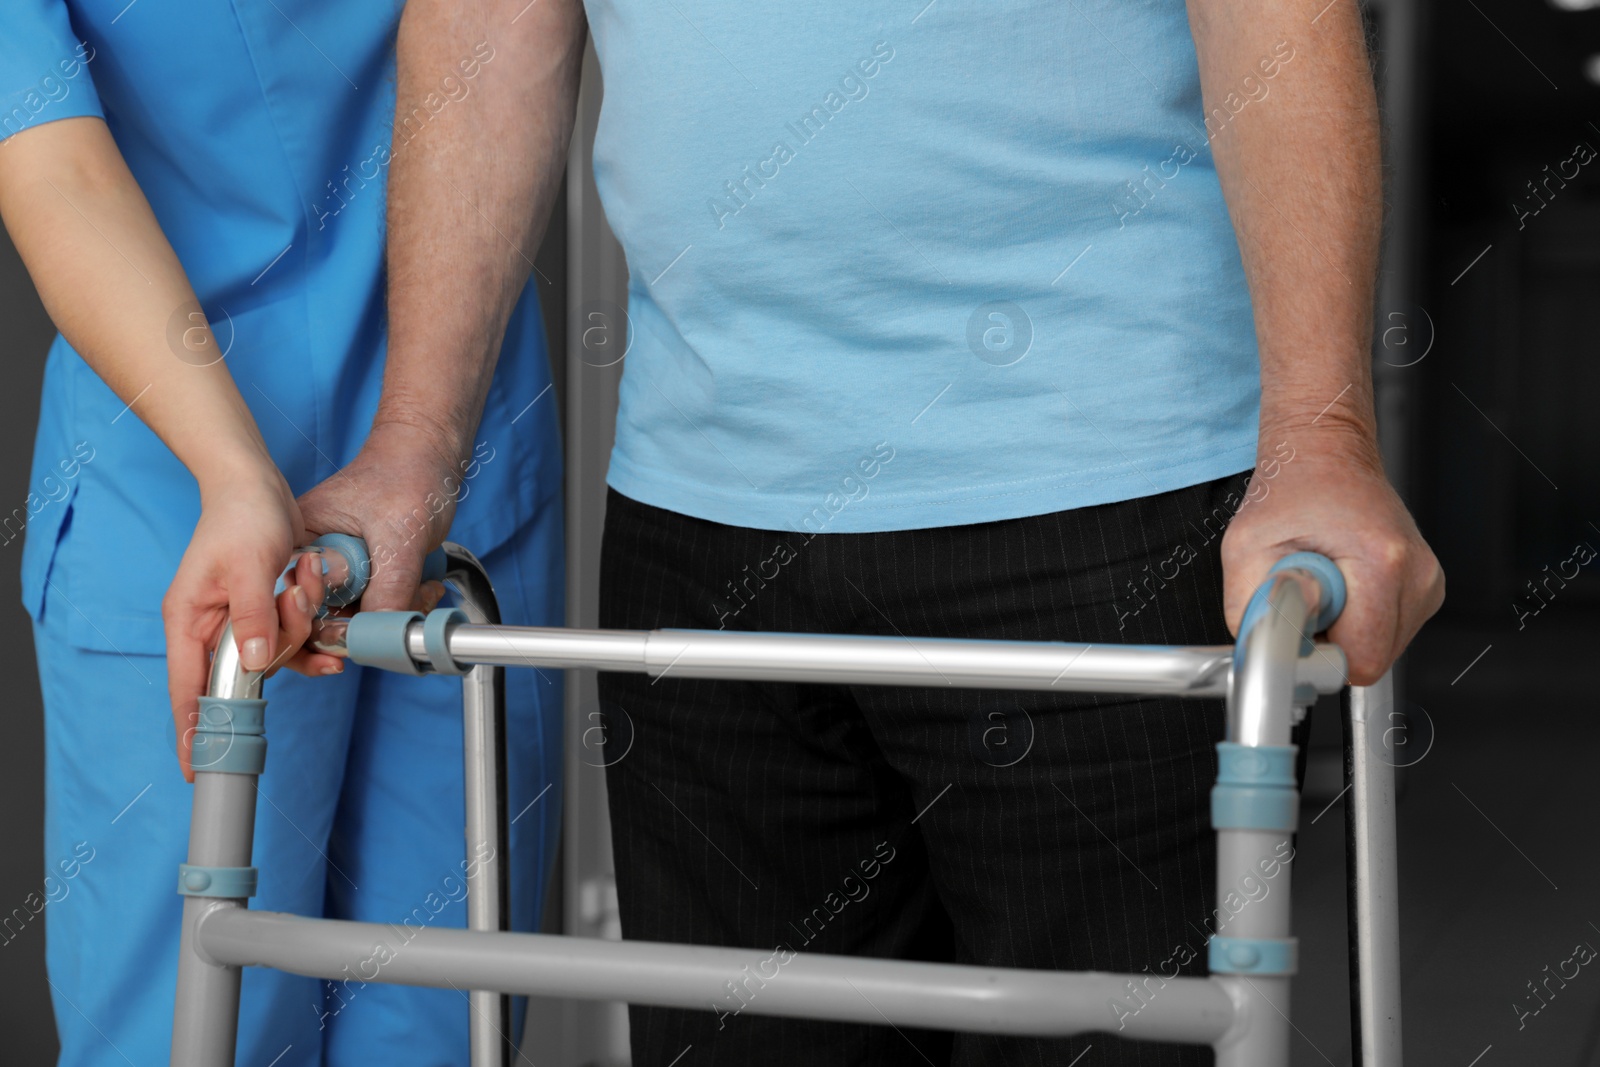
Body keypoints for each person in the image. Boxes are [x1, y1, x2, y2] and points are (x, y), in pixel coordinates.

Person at [387, 0, 1444, 1063]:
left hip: (1101, 489)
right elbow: (486, 28)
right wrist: (411, 454)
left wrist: (1320, 434)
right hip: (700, 504)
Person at [0, 2, 564, 1063]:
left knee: (444, 1029)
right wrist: (231, 469)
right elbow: (49, 160)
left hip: (455, 462)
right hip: (188, 503)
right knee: (193, 1033)